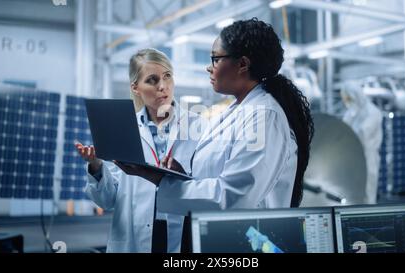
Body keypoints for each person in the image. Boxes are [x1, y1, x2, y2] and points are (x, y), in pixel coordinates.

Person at [116, 18, 314, 214]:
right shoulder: (237, 111)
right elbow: (218, 180)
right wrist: (181, 178)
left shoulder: (264, 116)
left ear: (242, 64)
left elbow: (234, 196)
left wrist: (162, 181)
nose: (209, 67)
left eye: (216, 59)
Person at [75, 48, 203, 252]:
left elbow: (209, 188)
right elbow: (106, 200)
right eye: (152, 80)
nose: (163, 86)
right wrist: (96, 165)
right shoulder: (122, 128)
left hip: (181, 234)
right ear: (136, 88)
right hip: (132, 238)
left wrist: (183, 177)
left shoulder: (199, 126)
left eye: (167, 76)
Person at [341, 81, 383, 204]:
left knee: (368, 193)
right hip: (353, 158)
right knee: (352, 194)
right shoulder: (351, 113)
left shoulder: (373, 112)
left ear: (356, 95)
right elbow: (343, 130)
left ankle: (369, 220)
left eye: (348, 98)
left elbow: (362, 133)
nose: (346, 102)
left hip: (368, 158)